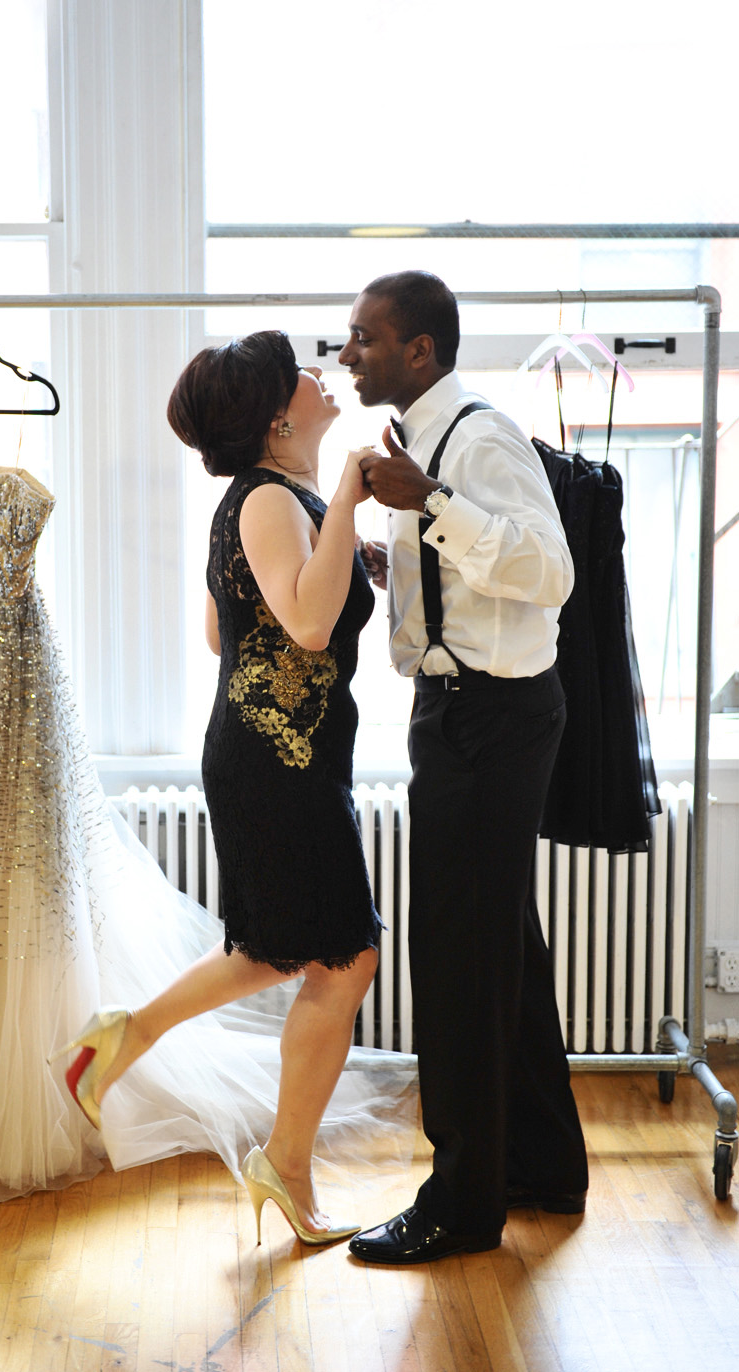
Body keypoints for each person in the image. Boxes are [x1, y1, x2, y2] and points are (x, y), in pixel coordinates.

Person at [59, 330, 385, 1245]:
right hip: (275, 761)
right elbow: (312, 627)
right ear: (280, 414)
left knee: (280, 948)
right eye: (304, 374)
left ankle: (122, 1038)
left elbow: (226, 630)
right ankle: (284, 1164)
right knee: (344, 957)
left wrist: (343, 533)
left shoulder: (276, 501)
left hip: (280, 754)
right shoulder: (273, 499)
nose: (325, 377)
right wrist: (351, 510)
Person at [338, 271, 589, 1266]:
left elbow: (548, 573)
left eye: (364, 338)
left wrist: (431, 502)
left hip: (489, 720)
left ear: (420, 352)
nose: (347, 351)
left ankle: (460, 1204)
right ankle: (542, 1166)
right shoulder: (416, 446)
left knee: (456, 960)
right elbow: (472, 577)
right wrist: (397, 559)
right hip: (457, 711)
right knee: (500, 951)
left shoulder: (474, 442)